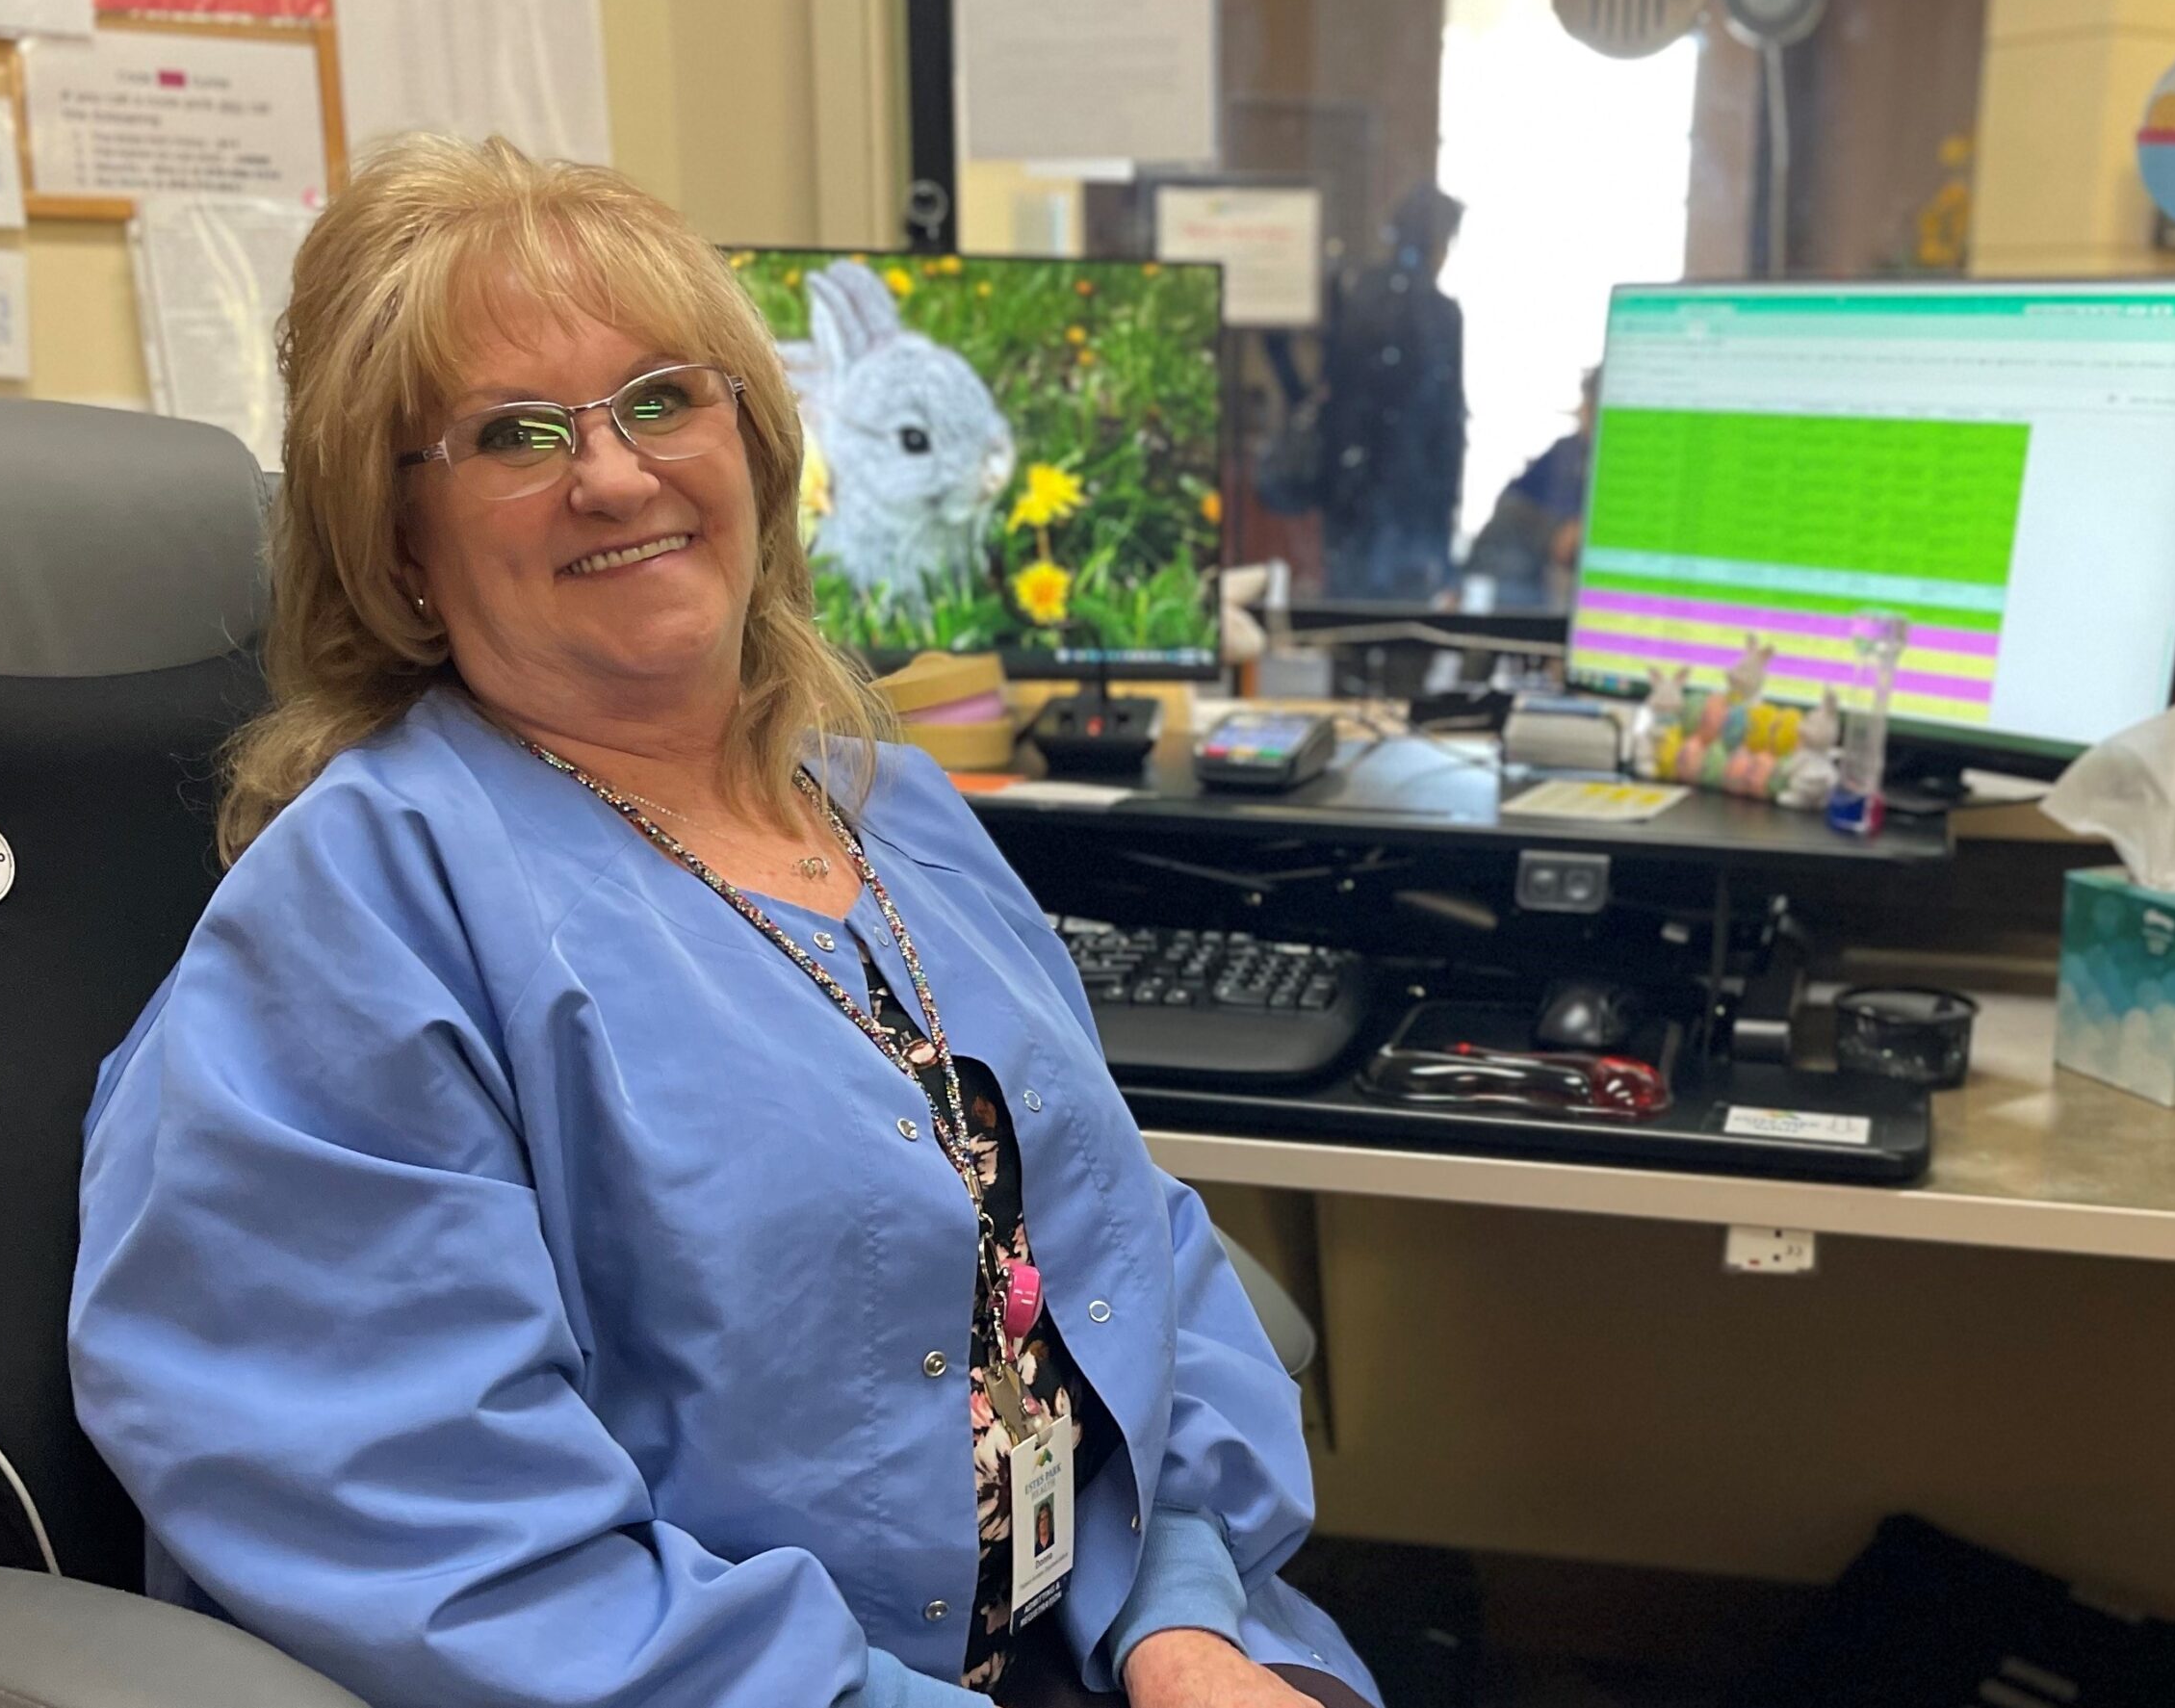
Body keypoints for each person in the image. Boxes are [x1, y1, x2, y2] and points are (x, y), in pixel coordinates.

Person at [66, 136, 1379, 1708]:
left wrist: (1181, 1622)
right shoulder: (363, 909)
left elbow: (1127, 1244)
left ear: (753, 448)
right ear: (402, 553)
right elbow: (448, 1542)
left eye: (663, 398)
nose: (614, 471)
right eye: (516, 432)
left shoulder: (896, 816)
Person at [1313, 184, 1465, 603]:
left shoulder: (1359, 295)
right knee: (1403, 632)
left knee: (1348, 630)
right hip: (1410, 503)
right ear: (1437, 240)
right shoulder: (1438, 313)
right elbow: (1446, 424)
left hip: (1351, 499)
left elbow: (1330, 394)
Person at [1463, 367, 1599, 610]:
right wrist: (1555, 533)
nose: (1583, 413)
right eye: (1586, 405)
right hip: (1531, 586)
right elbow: (1512, 505)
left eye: (1590, 405)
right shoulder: (1568, 452)